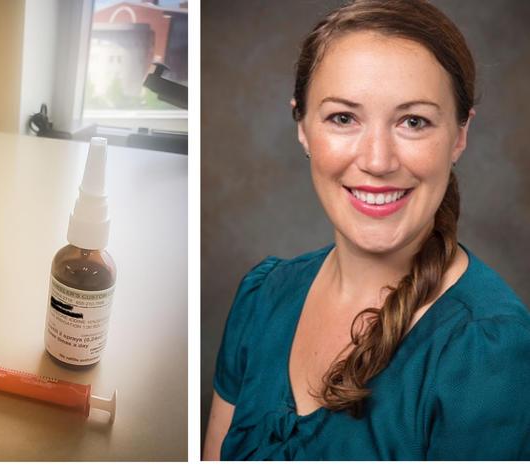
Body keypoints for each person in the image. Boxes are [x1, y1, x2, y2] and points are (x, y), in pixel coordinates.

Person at [203, 0, 530, 461]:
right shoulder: (262, 296)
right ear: (302, 126)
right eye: (343, 118)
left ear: (458, 136)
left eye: (413, 121)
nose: (377, 160)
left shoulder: (490, 356)